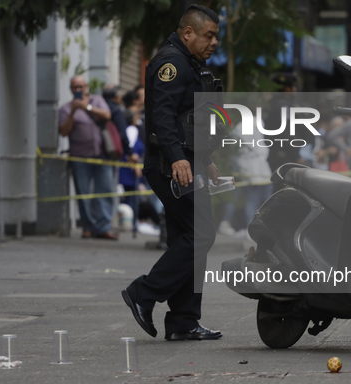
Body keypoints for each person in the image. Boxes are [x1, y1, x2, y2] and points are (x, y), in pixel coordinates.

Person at [122, 4, 223, 341]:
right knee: (202, 234)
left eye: (216, 36)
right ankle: (143, 292)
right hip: (170, 165)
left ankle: (183, 322)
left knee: (188, 238)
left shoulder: (192, 64)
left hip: (186, 162)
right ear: (188, 32)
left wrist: (204, 159)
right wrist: (179, 159)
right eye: (208, 35)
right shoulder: (172, 64)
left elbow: (189, 119)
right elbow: (163, 117)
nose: (214, 42)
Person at [58, 76, 119, 240]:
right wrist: (73, 111)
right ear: (71, 89)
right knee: (83, 193)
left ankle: (104, 227)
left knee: (105, 190)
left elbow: (107, 115)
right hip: (80, 157)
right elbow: (63, 131)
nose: (78, 90)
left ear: (86, 87)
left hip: (101, 154)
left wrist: (87, 107)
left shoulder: (97, 100)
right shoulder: (65, 108)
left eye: (80, 87)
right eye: (74, 88)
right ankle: (87, 227)